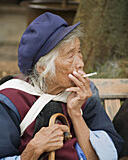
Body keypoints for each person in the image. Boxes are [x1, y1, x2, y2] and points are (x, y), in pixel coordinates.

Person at [0, 12, 124, 160]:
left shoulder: (83, 94)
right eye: (70, 56)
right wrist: (33, 150)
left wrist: (76, 113)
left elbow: (109, 156)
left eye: (79, 52)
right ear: (43, 68)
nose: (80, 63)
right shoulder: (11, 101)